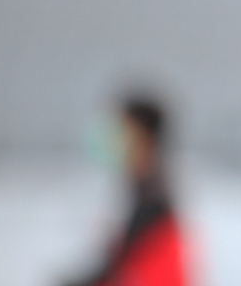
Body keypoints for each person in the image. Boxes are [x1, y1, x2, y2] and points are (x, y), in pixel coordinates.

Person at [64, 98, 189, 286]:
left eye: (122, 133)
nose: (114, 141)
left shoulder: (153, 204)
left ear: (144, 140)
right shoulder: (146, 193)